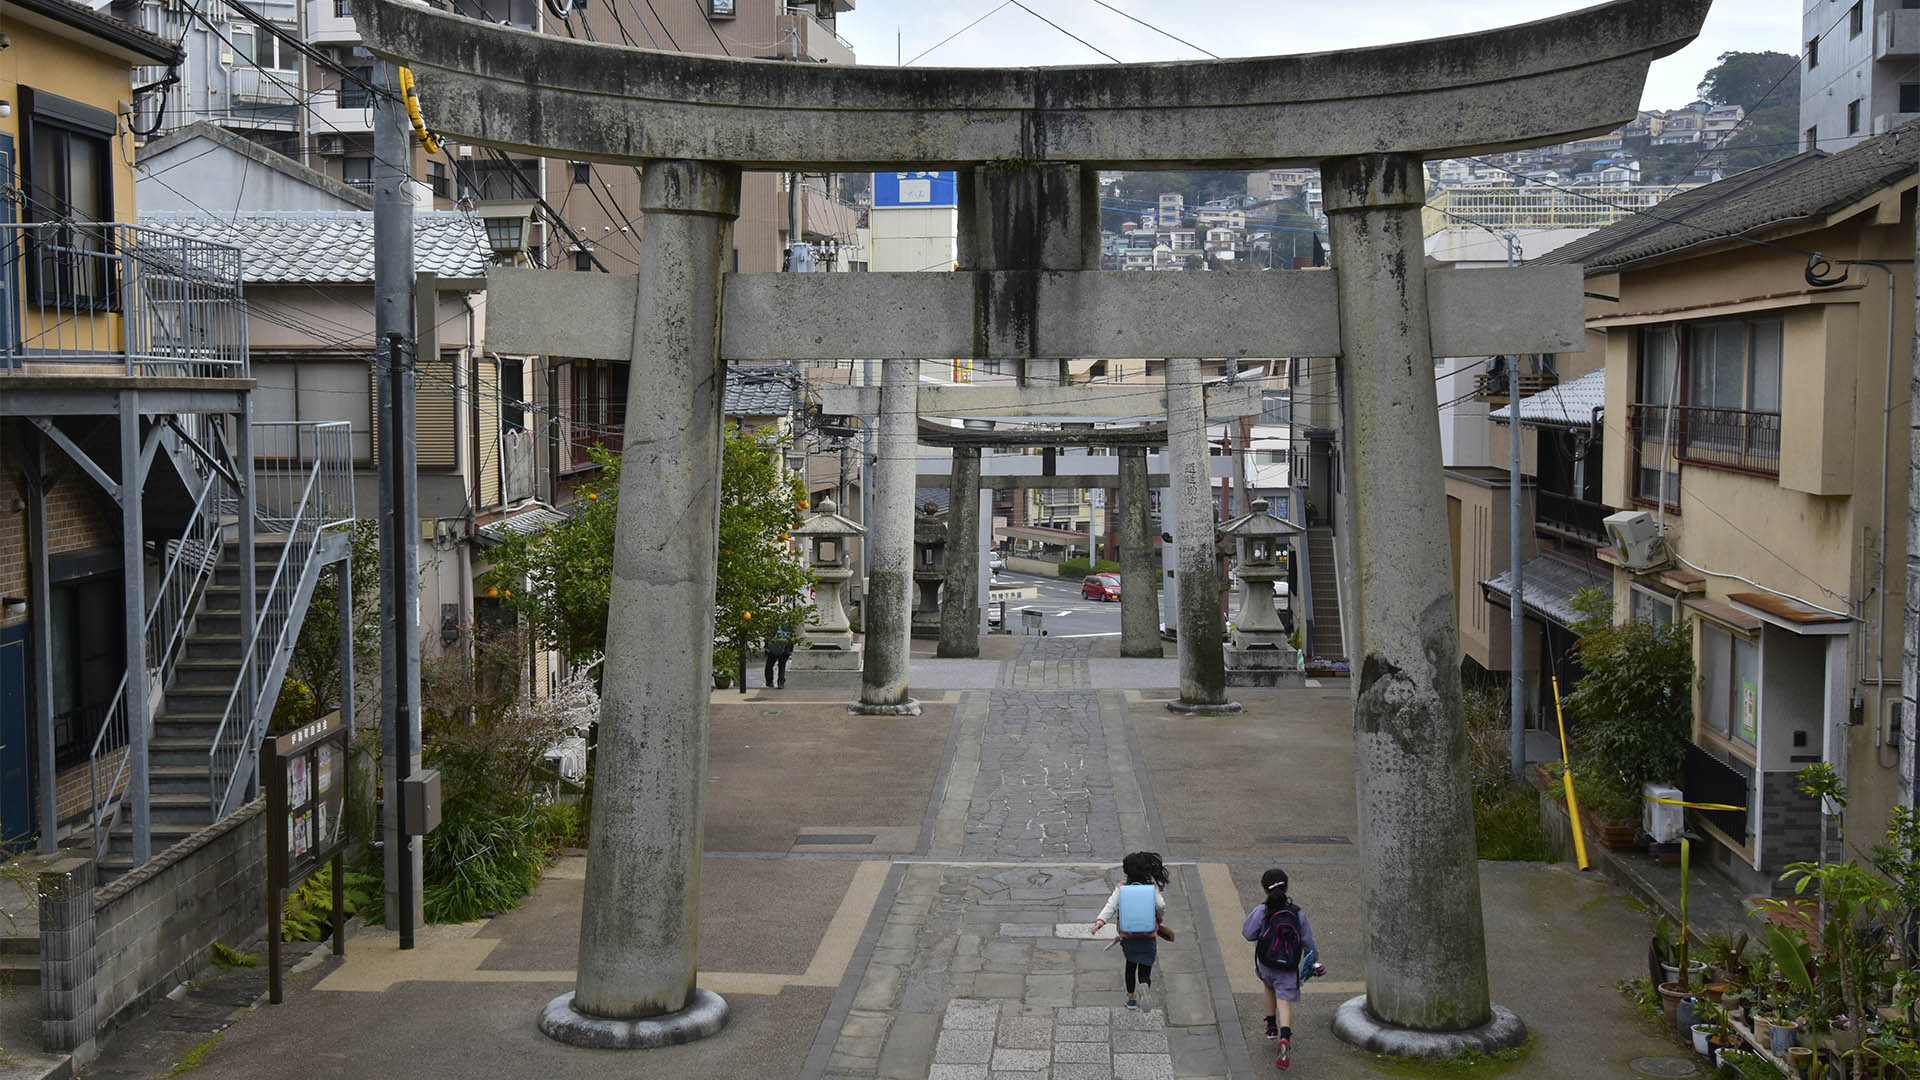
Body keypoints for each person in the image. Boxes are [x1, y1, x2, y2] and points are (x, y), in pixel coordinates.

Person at [1242, 868, 1325, 1071]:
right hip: (1288, 968)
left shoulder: (1262, 910)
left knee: (1268, 988)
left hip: (1266, 964)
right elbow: (1308, 942)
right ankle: (1285, 1037)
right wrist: (1314, 961)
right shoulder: (1297, 913)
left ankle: (1271, 1026)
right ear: (1287, 887)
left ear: (1264, 889)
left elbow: (1248, 933)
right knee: (1284, 1002)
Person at [1091, 851, 1171, 1010]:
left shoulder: (1122, 888)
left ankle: (1131, 999)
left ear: (1127, 871)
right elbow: (1161, 905)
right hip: (1148, 935)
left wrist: (1099, 922)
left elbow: (1110, 906)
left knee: (1130, 964)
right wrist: (1159, 918)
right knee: (1145, 966)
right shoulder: (1151, 887)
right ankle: (1144, 983)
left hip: (1128, 936)